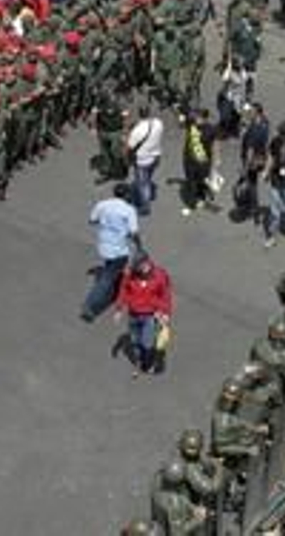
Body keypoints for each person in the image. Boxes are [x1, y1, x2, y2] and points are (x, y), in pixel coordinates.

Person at [82, 184, 140, 322]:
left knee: (110, 269)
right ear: (126, 195)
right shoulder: (129, 210)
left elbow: (92, 220)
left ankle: (114, 284)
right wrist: (138, 244)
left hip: (103, 246)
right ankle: (90, 305)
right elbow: (134, 232)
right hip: (118, 250)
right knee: (106, 279)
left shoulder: (102, 204)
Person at [115, 251, 173, 377]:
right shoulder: (130, 274)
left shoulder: (160, 275)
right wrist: (119, 308)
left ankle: (149, 364)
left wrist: (165, 313)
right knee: (135, 341)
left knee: (147, 343)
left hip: (149, 316)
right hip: (133, 315)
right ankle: (140, 360)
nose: (138, 270)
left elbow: (166, 295)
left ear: (146, 262)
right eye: (135, 267)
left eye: (139, 266)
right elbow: (123, 289)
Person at [125, 105, 164, 217]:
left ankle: (145, 207)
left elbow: (129, 146)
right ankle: (149, 193)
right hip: (155, 157)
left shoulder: (137, 131)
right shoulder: (158, 123)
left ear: (139, 113)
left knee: (143, 184)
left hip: (142, 160)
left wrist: (128, 130)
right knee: (148, 177)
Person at [178, 108, 217, 216]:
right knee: (191, 181)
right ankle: (194, 201)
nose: (195, 118)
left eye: (197, 116)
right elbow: (181, 124)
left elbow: (214, 146)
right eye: (195, 116)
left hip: (202, 161)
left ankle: (201, 197)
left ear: (203, 118)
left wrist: (214, 162)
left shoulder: (210, 129)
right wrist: (181, 117)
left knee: (201, 181)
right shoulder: (191, 124)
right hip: (189, 160)